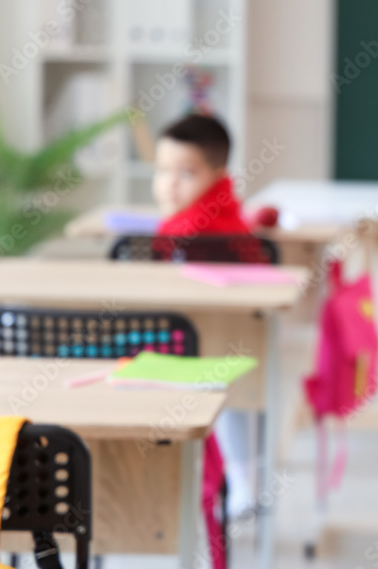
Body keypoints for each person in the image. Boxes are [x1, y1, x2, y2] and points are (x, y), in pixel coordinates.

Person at [153, 113, 257, 521]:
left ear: (217, 175)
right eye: (161, 171)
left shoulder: (208, 230)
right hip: (188, 352)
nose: (169, 184)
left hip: (218, 351)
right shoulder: (181, 224)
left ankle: (239, 481)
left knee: (227, 395)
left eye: (185, 173)